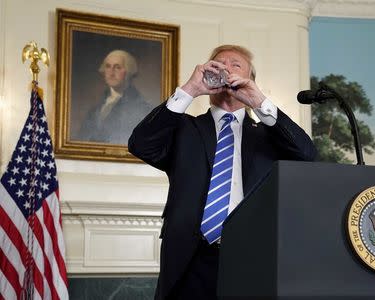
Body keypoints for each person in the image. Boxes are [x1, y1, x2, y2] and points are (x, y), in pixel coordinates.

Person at [128, 45, 317, 300]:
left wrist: (259, 101)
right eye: (218, 64)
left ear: (250, 80)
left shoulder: (268, 136)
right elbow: (141, 144)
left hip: (252, 260)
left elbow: (307, 155)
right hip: (189, 261)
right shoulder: (184, 129)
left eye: (235, 65)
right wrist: (189, 90)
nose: (226, 68)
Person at [77, 49, 154, 144]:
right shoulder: (95, 109)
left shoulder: (142, 107)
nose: (111, 72)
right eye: (108, 67)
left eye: (117, 67)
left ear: (128, 72)